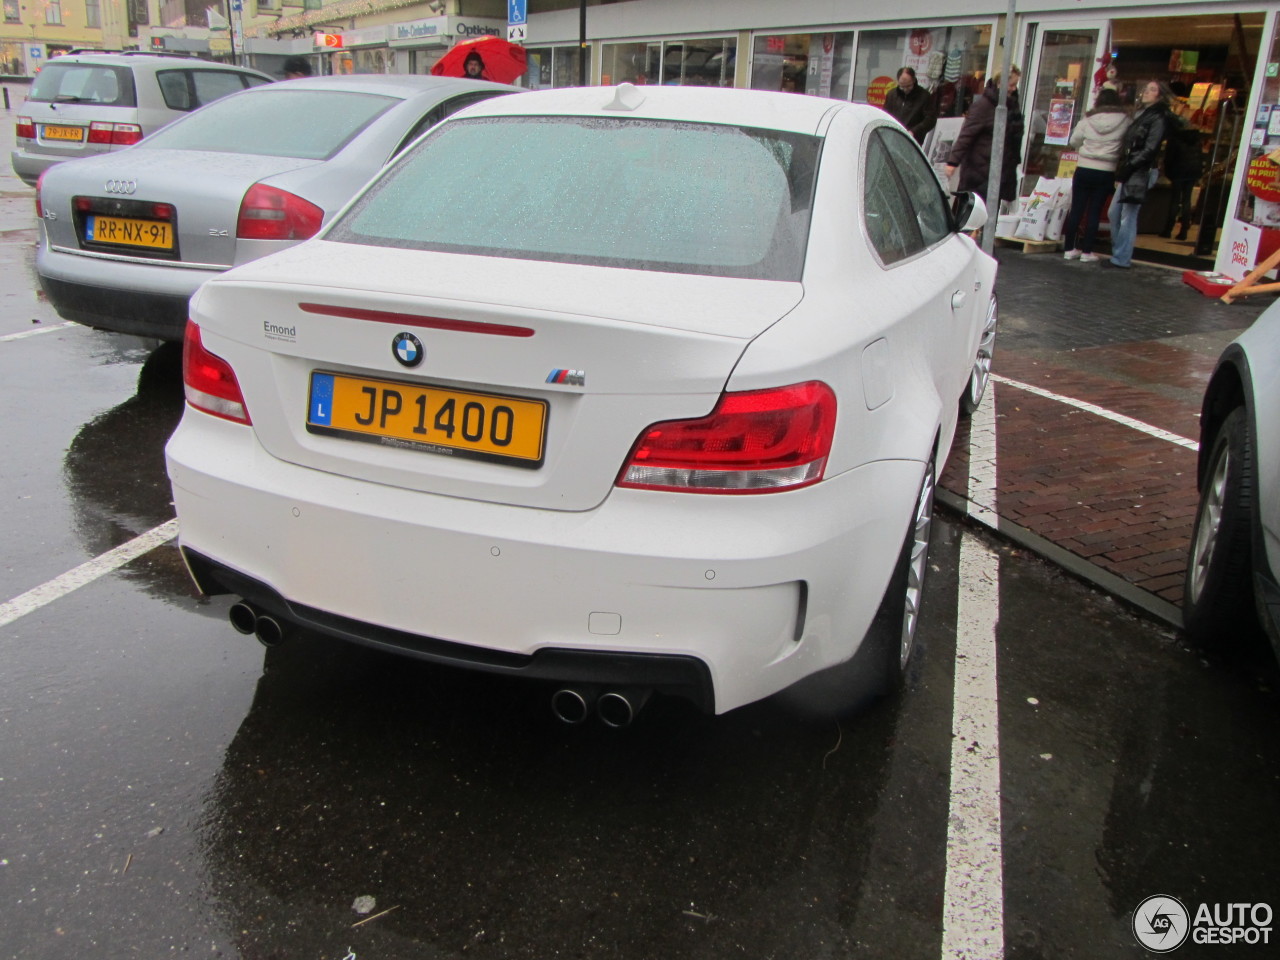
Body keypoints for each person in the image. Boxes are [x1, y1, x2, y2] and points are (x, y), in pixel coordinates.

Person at [1061, 88, 1132, 262]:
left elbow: (1074, 141)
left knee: (1077, 208)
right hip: (1106, 170)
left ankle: (1069, 248)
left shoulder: (1088, 119)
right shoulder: (1125, 121)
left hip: (1084, 168)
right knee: (1094, 211)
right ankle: (1087, 252)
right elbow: (1128, 143)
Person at [1107, 80, 1172, 268]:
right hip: (1133, 167)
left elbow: (1150, 148)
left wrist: (1129, 166)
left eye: (1152, 89)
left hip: (1141, 170)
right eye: (1146, 88)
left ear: (1159, 96)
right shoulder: (1143, 114)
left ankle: (1121, 258)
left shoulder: (1158, 118)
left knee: (1128, 215)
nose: (1146, 92)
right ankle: (1118, 252)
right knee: (1115, 212)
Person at [945, 68, 1024, 206]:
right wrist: (953, 162)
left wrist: (1015, 162)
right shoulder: (984, 106)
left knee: (990, 214)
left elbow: (1014, 138)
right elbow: (966, 135)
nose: (1013, 88)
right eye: (1011, 85)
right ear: (1000, 83)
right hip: (981, 170)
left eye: (1015, 85)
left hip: (1000, 170)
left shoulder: (1011, 105)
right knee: (975, 214)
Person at [1160, 96, 1203, 241]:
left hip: (1178, 171)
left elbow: (1169, 158)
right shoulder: (1195, 138)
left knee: (1175, 200)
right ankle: (1184, 230)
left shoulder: (1175, 138)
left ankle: (1168, 229)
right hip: (1192, 172)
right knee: (1186, 201)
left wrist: (1168, 172)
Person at [881, 66, 936, 145]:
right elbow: (885, 115)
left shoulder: (924, 96)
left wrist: (914, 131)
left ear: (914, 80)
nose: (906, 90)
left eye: (909, 86)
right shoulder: (892, 95)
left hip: (914, 140)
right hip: (893, 138)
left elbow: (930, 119)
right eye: (902, 87)